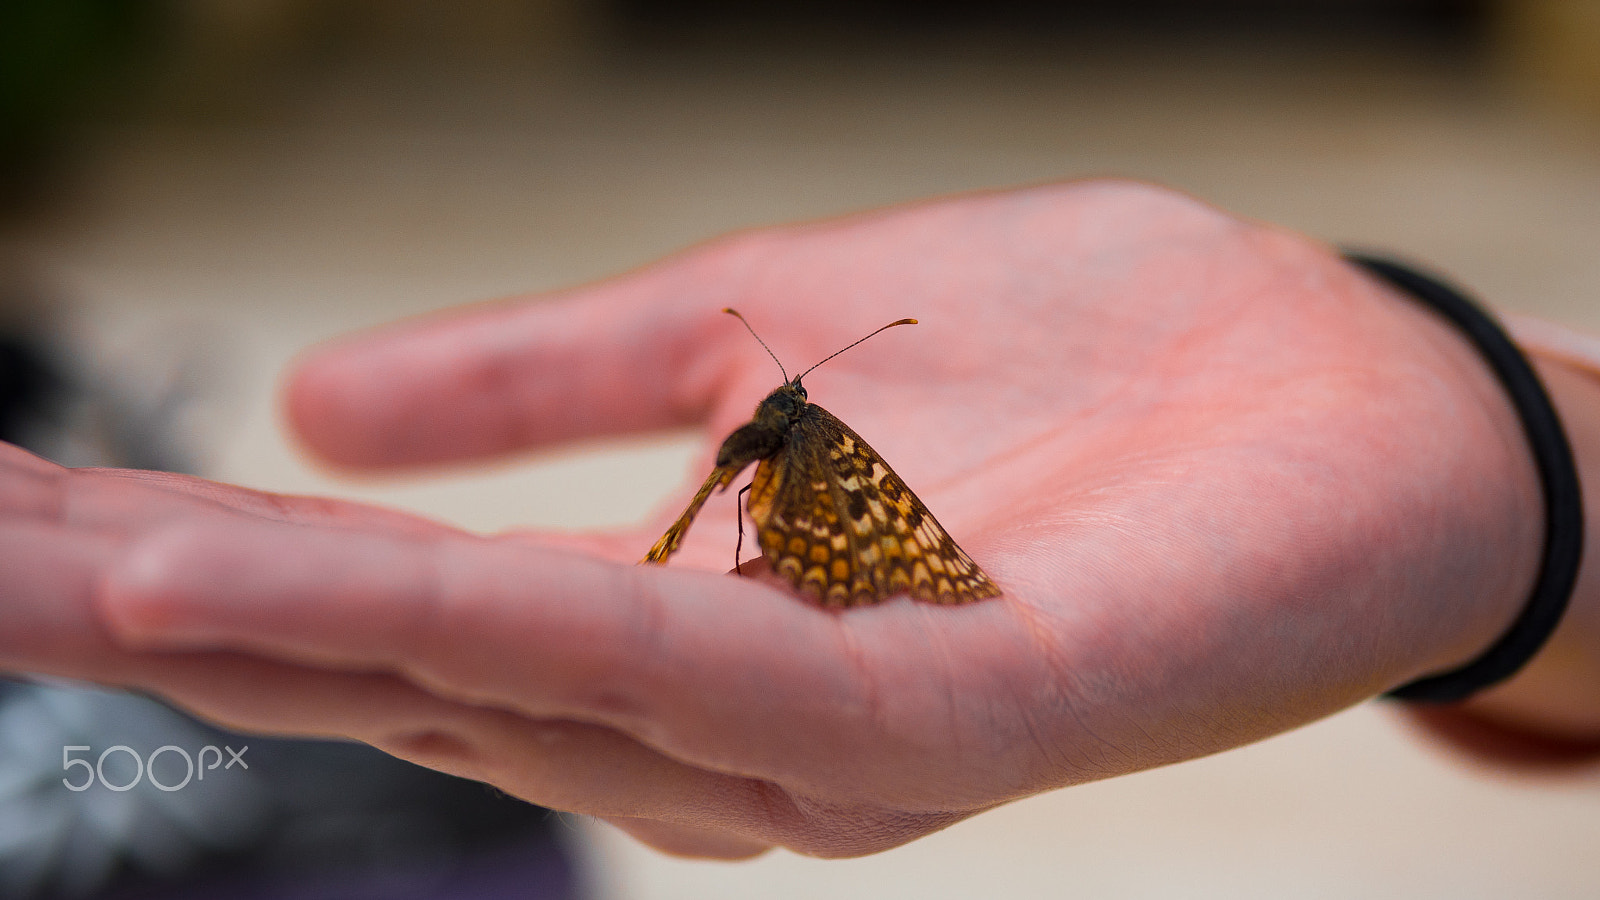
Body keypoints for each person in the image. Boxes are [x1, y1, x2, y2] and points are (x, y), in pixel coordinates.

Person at [2, 179, 1597, 860]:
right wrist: (1532, 475)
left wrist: (1495, 458)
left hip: (812, 524)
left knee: (779, 517)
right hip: (794, 513)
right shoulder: (795, 430)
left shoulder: (816, 441)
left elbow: (813, 495)